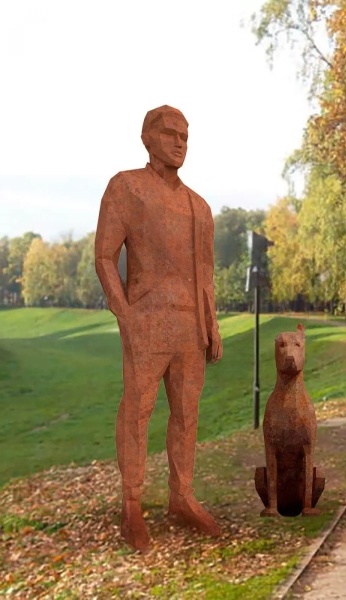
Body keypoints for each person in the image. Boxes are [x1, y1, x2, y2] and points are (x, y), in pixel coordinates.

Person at [95, 105, 223, 553]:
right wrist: (125, 315)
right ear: (147, 138)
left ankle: (181, 495)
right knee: (137, 410)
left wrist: (211, 323)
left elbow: (205, 274)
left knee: (187, 413)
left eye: (185, 135)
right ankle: (131, 502)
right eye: (170, 133)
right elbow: (105, 256)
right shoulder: (127, 187)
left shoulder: (199, 207)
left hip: (190, 327)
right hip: (146, 323)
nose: (179, 142)